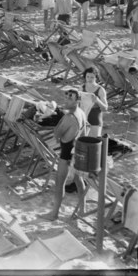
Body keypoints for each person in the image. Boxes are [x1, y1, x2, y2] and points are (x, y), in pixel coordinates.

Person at [42, 89, 88, 221]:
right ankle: (82, 210)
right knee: (78, 180)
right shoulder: (82, 113)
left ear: (77, 101)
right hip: (77, 150)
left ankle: (54, 214)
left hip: (67, 151)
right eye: (66, 96)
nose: (66, 99)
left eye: (70, 98)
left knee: (60, 183)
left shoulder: (69, 116)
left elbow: (57, 134)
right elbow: (84, 133)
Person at [81, 67, 108, 138]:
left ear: (96, 78)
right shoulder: (82, 87)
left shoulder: (100, 89)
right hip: (83, 118)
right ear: (85, 77)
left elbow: (105, 108)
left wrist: (98, 101)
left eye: (92, 77)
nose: (89, 79)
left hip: (95, 118)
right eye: (88, 77)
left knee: (93, 143)